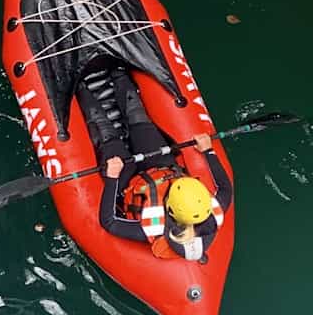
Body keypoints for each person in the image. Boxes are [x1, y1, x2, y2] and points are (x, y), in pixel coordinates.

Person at [79, 61, 232, 261]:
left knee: (106, 134)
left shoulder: (155, 227)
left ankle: (79, 86)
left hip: (129, 183)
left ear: (171, 209)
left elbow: (109, 222)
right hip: (160, 167)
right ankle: (117, 70)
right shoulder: (214, 210)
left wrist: (112, 178)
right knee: (138, 117)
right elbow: (225, 187)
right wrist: (208, 151)